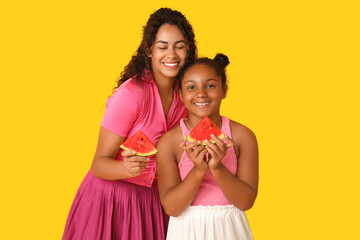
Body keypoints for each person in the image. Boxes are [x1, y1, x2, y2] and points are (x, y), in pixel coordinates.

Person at [62, 8, 197, 240]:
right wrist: (125, 168)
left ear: (188, 50)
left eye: (179, 46)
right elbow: (98, 164)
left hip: (156, 203)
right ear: (150, 51)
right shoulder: (133, 95)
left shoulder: (186, 96)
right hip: (112, 202)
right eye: (162, 46)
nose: (171, 54)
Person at [156, 54, 258, 240]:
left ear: (224, 90)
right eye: (191, 87)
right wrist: (198, 170)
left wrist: (217, 168)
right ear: (180, 95)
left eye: (210, 85)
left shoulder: (243, 136)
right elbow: (171, 207)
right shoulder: (168, 143)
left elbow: (246, 201)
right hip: (186, 231)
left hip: (231, 230)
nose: (201, 93)